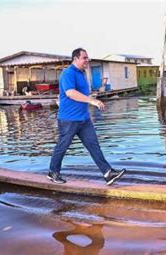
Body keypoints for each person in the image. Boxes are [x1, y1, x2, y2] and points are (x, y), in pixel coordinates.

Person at [48, 48, 126, 185]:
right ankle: (53, 172)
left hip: (84, 119)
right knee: (62, 146)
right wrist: (93, 101)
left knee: (94, 146)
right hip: (68, 119)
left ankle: (107, 173)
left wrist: (92, 100)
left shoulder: (82, 74)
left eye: (87, 58)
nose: (87, 60)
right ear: (75, 59)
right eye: (84, 58)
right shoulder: (68, 73)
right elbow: (70, 93)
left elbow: (82, 94)